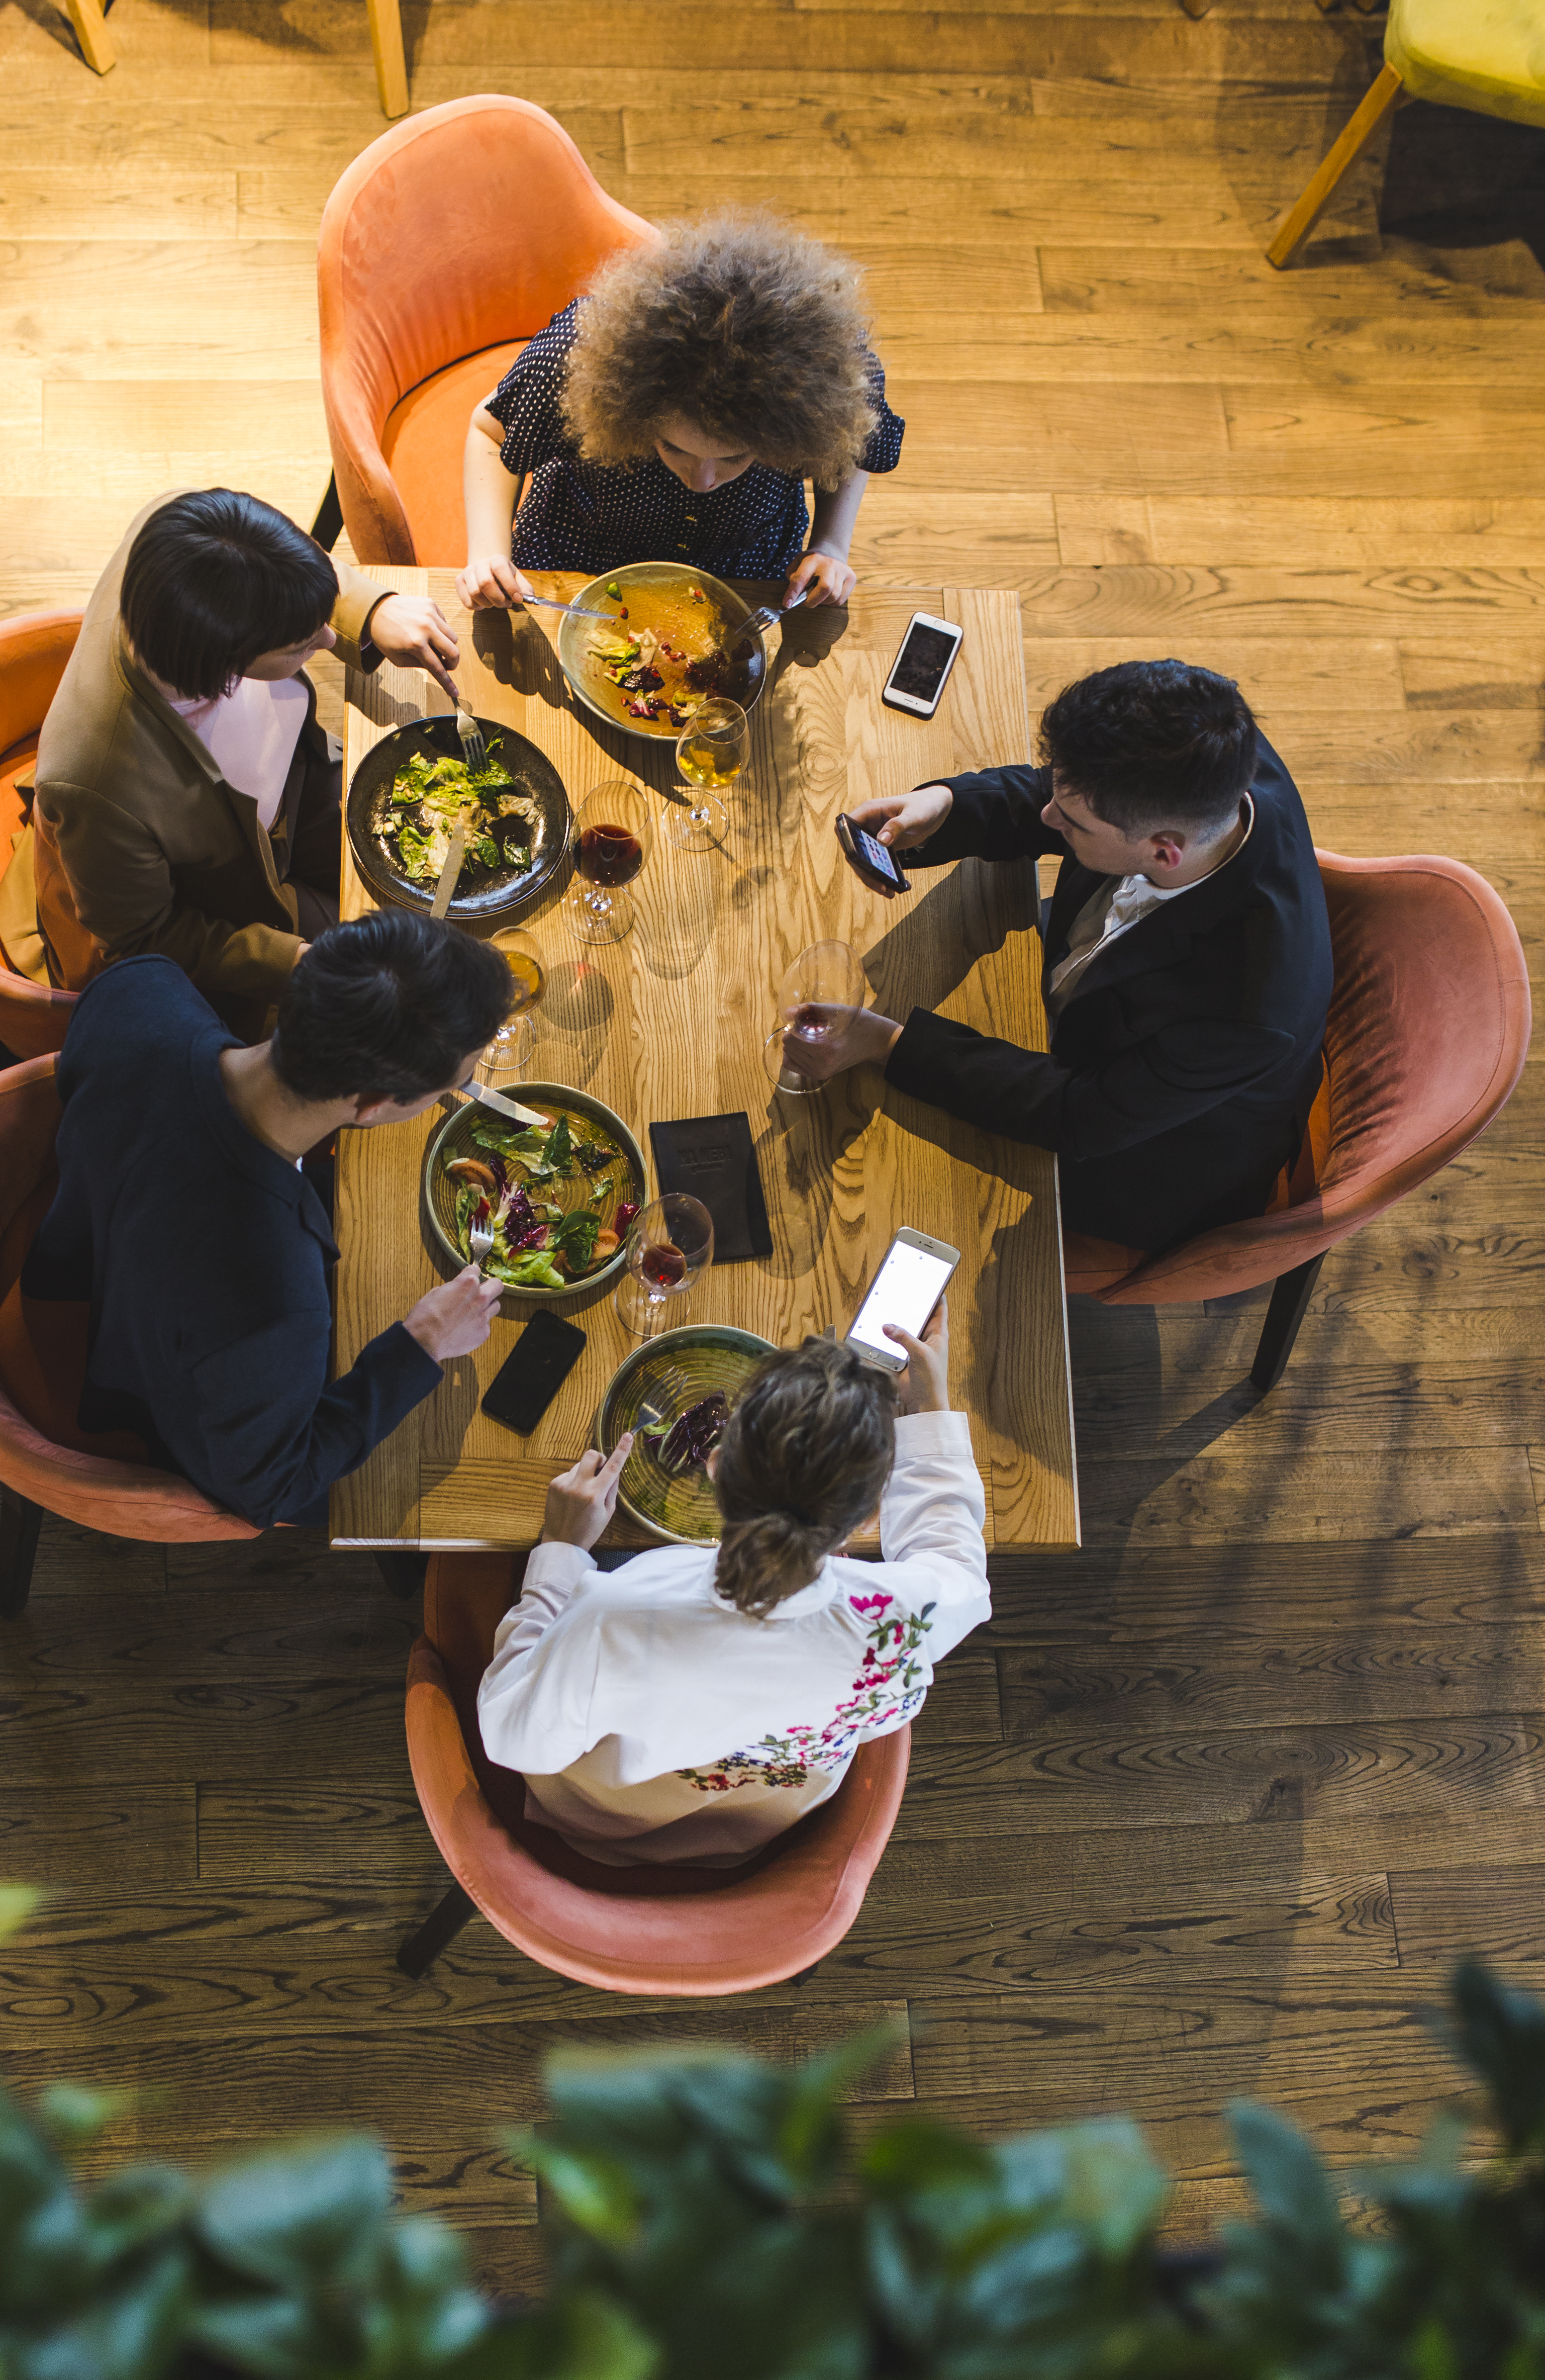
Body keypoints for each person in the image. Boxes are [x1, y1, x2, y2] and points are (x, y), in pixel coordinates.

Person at [788, 661, 1333, 1257]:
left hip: (1139, 1153)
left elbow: (1078, 1116)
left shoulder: (1251, 1008)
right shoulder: (1210, 757)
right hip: (1088, 1005)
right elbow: (1060, 796)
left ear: (1162, 852)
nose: (1046, 815)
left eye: (1070, 824)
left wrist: (885, 1045)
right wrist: (944, 806)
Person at [21, 909, 509, 1530]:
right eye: (451, 1086)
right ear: (373, 1104)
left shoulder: (140, 989)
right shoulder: (274, 1300)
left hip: (81, 1245)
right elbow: (270, 1489)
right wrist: (420, 1345)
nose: (454, 1092)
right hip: (137, 1375)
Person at [475, 1307, 989, 1866]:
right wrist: (929, 1410)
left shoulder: (614, 1615)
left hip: (609, 1819)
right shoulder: (903, 1621)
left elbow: (509, 1737)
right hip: (758, 1830)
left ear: (716, 1466)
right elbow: (956, 1564)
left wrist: (561, 1552)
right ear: (869, 1518)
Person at [0, 488, 466, 1017]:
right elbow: (144, 937)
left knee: (441, 861)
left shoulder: (178, 531)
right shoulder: (99, 785)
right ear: (225, 660)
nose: (329, 638)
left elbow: (278, 561)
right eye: (301, 645)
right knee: (396, 965)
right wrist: (292, 963)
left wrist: (372, 608)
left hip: (294, 783)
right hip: (225, 889)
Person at [457, 212, 904, 614]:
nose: (703, 481)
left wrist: (830, 544)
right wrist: (488, 552)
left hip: (745, 565)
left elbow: (856, 449)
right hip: (581, 554)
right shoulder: (578, 356)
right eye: (674, 447)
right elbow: (491, 433)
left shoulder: (833, 371)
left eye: (734, 457)